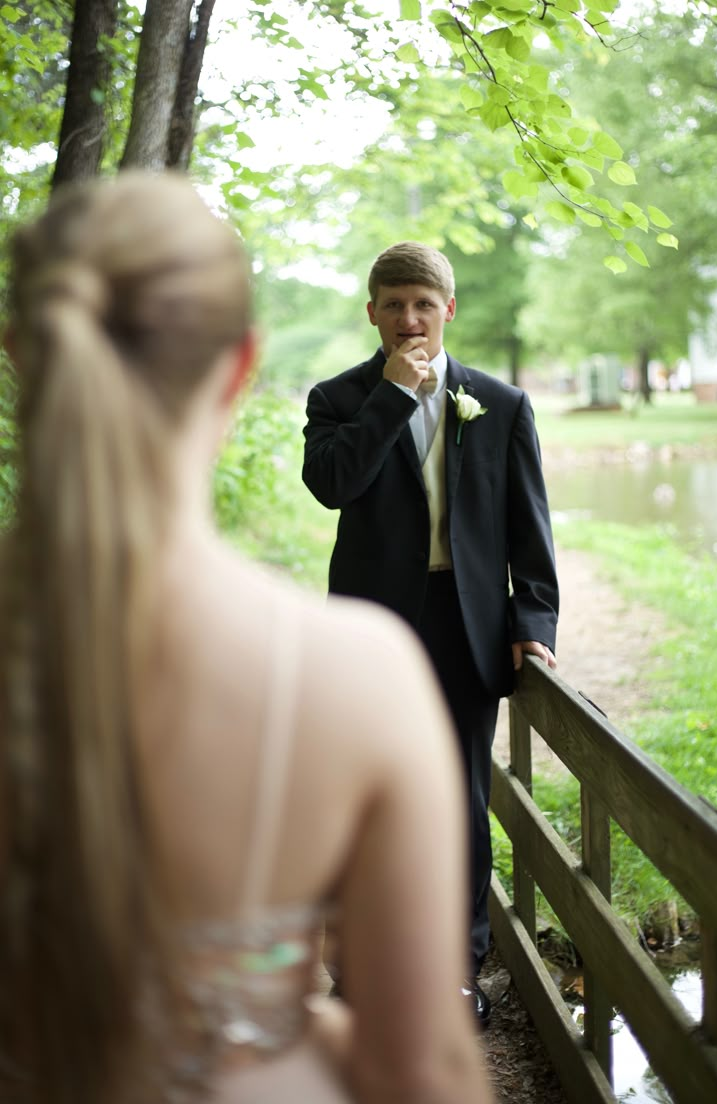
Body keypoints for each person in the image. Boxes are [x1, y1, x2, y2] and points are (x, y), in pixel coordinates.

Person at [0, 177, 495, 1104]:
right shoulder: (358, 677)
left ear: (20, 352)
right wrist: (293, 1026)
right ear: (240, 367)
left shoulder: (489, 404)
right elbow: (422, 1070)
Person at [302, 241, 559, 1025]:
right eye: (393, 304)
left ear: (449, 308)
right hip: (372, 628)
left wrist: (533, 620)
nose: (409, 319)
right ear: (372, 311)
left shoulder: (502, 403)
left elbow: (529, 527)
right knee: (367, 798)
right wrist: (391, 397)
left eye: (423, 304)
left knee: (460, 795)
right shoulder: (339, 396)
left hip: (466, 625)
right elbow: (331, 486)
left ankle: (458, 971)